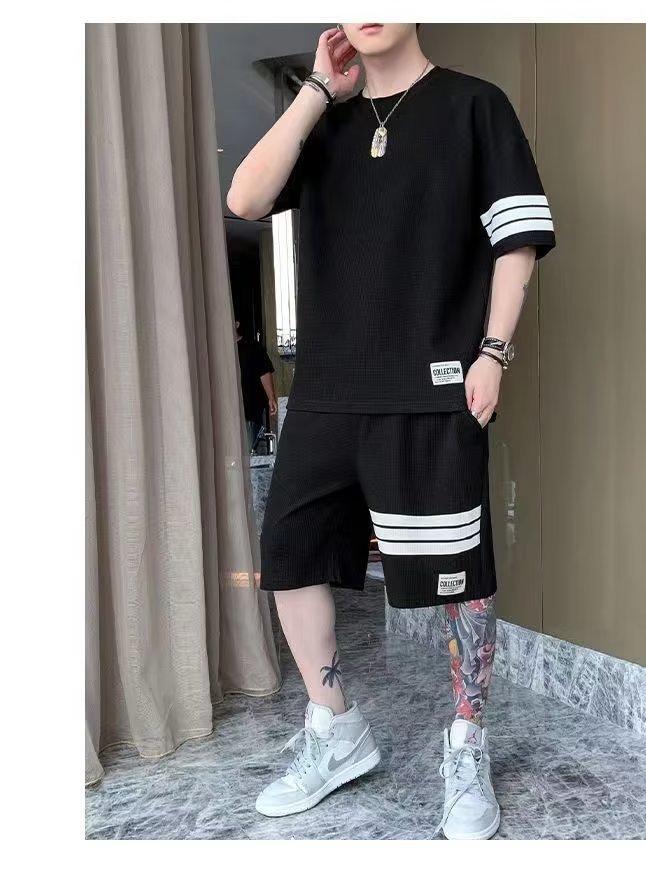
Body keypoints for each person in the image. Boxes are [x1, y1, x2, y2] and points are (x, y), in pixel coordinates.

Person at [228, 23, 555, 839]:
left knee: (460, 576)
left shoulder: (474, 106)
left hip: (433, 384)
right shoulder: (324, 122)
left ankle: (467, 742)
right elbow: (245, 200)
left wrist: (493, 351)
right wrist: (314, 91)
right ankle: (336, 727)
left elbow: (516, 242)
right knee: (291, 553)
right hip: (328, 390)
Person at [235, 319, 277, 451]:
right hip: (226, 411)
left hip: (250, 410)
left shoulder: (252, 347)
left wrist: (271, 398)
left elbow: (264, 371)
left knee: (247, 451)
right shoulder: (218, 348)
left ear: (237, 324)